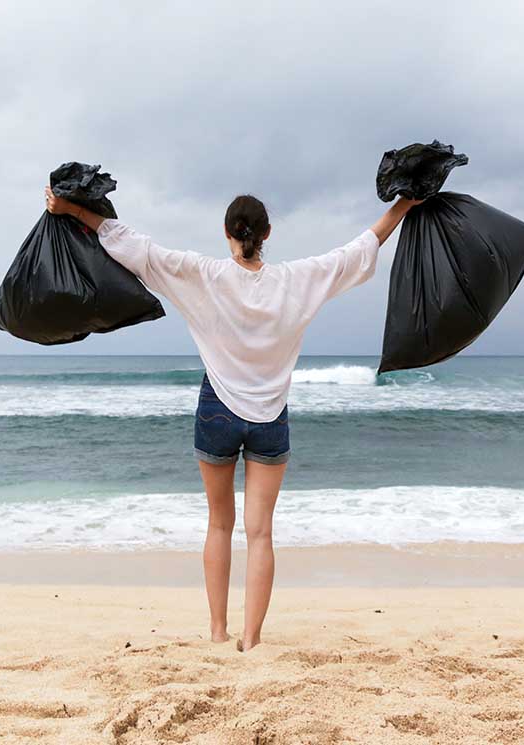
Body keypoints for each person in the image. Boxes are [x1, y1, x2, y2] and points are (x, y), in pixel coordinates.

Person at [44, 185, 424, 651]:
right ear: (267, 234)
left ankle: (218, 632)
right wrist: (404, 205)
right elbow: (357, 251)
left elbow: (135, 247)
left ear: (227, 233)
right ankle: (251, 640)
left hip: (217, 411)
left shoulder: (202, 275)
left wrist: (73, 210)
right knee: (260, 532)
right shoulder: (296, 280)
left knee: (219, 524)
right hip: (271, 417)